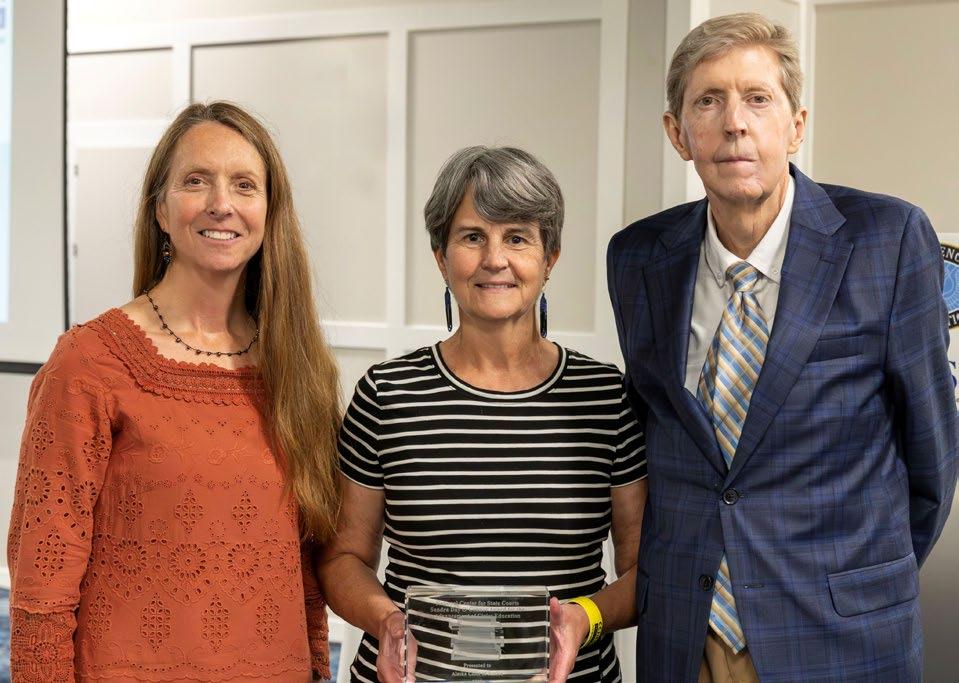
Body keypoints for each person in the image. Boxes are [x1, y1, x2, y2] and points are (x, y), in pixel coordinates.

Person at [607, 12, 958, 683]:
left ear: (796, 125)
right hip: (686, 635)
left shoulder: (887, 240)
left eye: (757, 98)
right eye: (708, 101)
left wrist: (856, 578)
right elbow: (658, 435)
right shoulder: (637, 257)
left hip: (840, 636)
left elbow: (932, 459)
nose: (734, 123)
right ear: (677, 133)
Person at [7, 101, 342, 682]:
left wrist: (316, 668)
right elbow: (42, 587)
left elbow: (304, 568)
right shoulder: (89, 364)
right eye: (196, 181)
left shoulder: (296, 366)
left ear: (269, 212)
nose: (221, 203)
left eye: (244, 185)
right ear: (160, 210)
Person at [316, 146, 647, 683]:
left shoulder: (605, 397)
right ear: (441, 257)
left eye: (517, 237)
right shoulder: (386, 394)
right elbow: (342, 559)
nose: (495, 259)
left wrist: (582, 619)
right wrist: (387, 622)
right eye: (472, 237)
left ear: (550, 257)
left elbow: (644, 571)